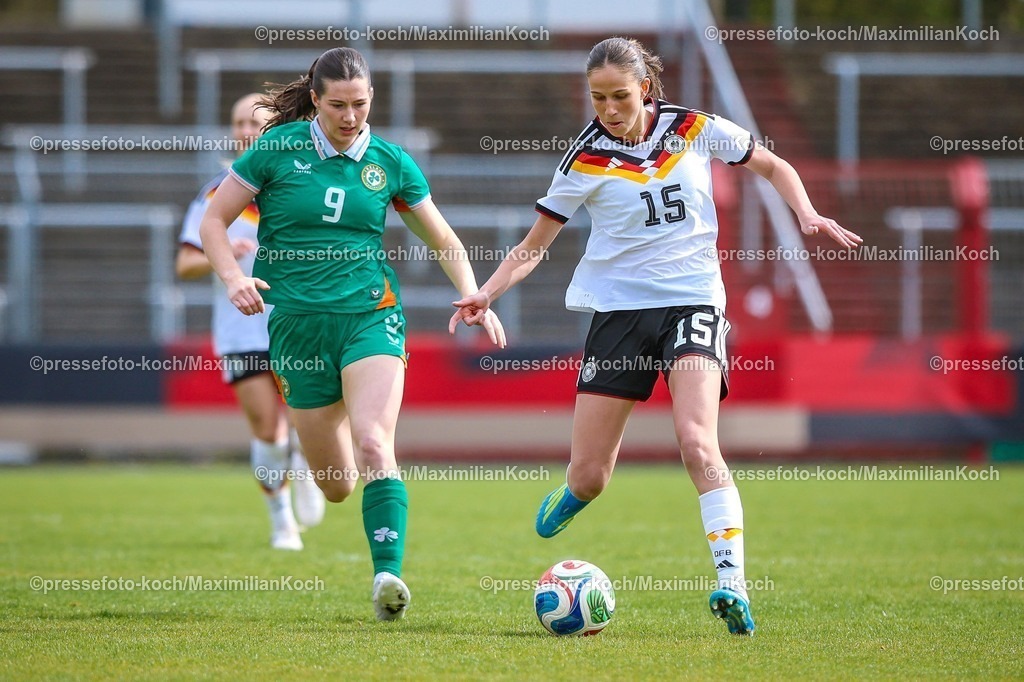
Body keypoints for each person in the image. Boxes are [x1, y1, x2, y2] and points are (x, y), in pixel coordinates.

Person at [451, 37, 862, 636]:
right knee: (590, 475)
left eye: (620, 95)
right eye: (597, 98)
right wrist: (487, 292)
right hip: (619, 314)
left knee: (697, 441)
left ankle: (731, 583)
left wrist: (806, 212)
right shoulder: (583, 158)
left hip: (693, 302)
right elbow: (534, 247)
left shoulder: (692, 127)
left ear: (645, 89)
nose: (609, 109)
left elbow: (773, 165)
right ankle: (575, 492)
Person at [199, 48, 505, 621]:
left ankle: (387, 576)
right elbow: (212, 221)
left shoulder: (390, 162)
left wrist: (473, 292)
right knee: (337, 484)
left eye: (360, 104)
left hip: (371, 316)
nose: (350, 116)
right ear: (315, 100)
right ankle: (307, 457)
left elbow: (443, 239)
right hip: (296, 329)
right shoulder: (277, 148)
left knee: (373, 443)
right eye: (337, 105)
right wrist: (233, 277)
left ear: (372, 99)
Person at [177, 93, 325, 552]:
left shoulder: (303, 181)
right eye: (238, 122)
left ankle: (305, 463)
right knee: (268, 429)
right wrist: (224, 260)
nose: (245, 130)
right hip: (243, 331)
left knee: (305, 421)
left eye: (254, 122)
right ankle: (281, 520)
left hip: (298, 323)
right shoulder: (216, 194)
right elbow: (185, 263)